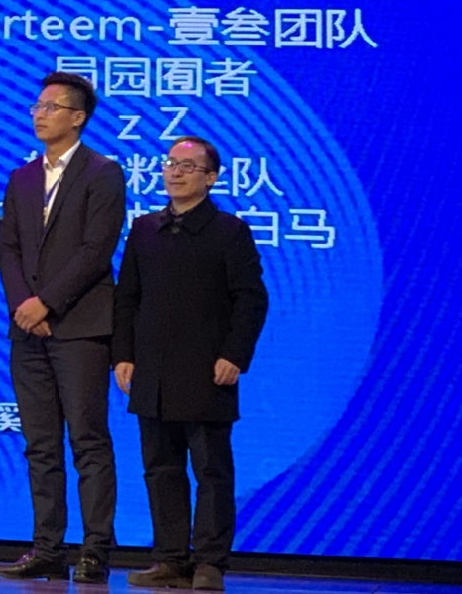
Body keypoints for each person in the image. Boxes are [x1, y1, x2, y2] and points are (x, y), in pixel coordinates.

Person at [115, 139, 269, 593]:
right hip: (152, 372)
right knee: (160, 469)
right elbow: (127, 298)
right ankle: (169, 558)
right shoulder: (145, 228)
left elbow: (251, 299)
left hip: (207, 370)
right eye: (171, 164)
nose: (176, 172)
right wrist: (123, 355)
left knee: (211, 472)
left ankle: (210, 561)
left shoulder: (229, 231)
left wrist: (234, 355)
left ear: (211, 178)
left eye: (188, 166)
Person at [0, 71, 128, 584]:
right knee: (40, 444)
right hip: (27, 330)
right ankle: (46, 548)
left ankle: (95, 551)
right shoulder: (22, 177)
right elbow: (8, 248)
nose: (40, 114)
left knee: (88, 441)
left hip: (79, 328)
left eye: (52, 106)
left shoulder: (103, 173)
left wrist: (47, 303)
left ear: (78, 117)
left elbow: (97, 250)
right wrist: (23, 306)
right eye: (37, 105)